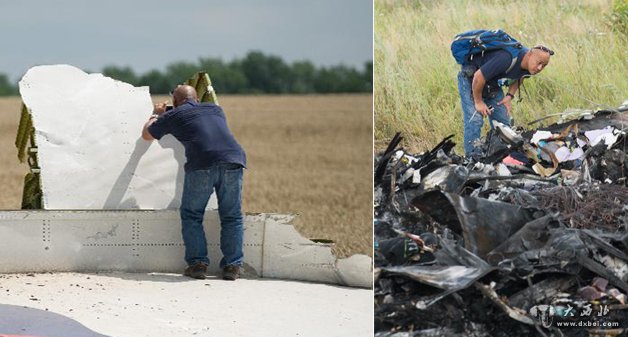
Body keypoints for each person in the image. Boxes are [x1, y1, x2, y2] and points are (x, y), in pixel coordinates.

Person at [141, 85, 246, 281]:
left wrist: (156, 114)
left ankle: (198, 264)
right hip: (234, 160)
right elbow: (194, 115)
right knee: (232, 216)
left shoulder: (173, 116)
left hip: (202, 164)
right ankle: (233, 266)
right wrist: (171, 112)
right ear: (197, 98)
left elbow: (147, 134)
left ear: (174, 102)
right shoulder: (216, 109)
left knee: (192, 215)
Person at [458, 44, 554, 156]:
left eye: (544, 65)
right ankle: (472, 159)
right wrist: (478, 102)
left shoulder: (529, 65)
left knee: (503, 122)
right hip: (471, 78)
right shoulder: (507, 58)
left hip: (492, 82)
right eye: (539, 63)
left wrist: (509, 96)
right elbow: (478, 77)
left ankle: (501, 155)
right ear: (529, 54)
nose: (539, 68)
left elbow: (520, 76)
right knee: (475, 120)